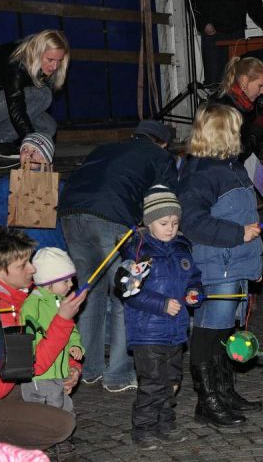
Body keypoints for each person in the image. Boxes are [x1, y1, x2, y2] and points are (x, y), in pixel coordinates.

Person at [58, 119, 179, 393]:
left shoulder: (106, 148)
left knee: (90, 291)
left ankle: (87, 368)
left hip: (70, 213)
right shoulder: (159, 155)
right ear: (163, 143)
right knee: (127, 293)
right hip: (110, 216)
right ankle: (118, 374)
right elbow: (164, 200)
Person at [177, 103, 263, 427]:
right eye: (236, 128)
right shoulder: (201, 172)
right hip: (216, 265)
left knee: (225, 330)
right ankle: (207, 402)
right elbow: (191, 221)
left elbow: (238, 212)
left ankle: (225, 391)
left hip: (234, 262)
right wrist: (238, 233)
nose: (241, 134)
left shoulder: (232, 167)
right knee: (208, 331)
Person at [0, 229, 84, 455]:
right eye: (22, 265)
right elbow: (31, 366)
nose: (32, 269)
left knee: (56, 401)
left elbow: (55, 339)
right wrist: (62, 320)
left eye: (30, 261)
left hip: (6, 388)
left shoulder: (25, 297)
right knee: (62, 425)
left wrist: (72, 366)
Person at [121, 187, 198, 449]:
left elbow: (194, 278)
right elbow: (128, 290)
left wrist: (195, 293)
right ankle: (143, 428)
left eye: (175, 223)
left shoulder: (182, 249)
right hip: (148, 332)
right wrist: (162, 304)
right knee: (153, 382)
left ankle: (166, 423)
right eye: (164, 223)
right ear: (149, 222)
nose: (170, 228)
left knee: (172, 381)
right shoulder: (138, 252)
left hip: (176, 331)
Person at [0, 30, 69, 158]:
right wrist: (31, 144)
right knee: (43, 95)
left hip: (2, 105)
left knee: (49, 128)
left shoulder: (40, 63)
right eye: (50, 59)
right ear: (38, 52)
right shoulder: (18, 61)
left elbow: (28, 105)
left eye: (59, 60)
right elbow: (16, 106)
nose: (55, 66)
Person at [19, 248, 83, 412]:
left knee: (65, 410)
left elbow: (71, 330)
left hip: (58, 372)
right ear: (48, 283)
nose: (71, 284)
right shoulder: (32, 305)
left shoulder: (60, 302)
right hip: (40, 377)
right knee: (47, 413)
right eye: (65, 281)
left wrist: (75, 346)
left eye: (71, 279)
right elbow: (29, 342)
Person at [0, 132, 66, 250]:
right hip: (18, 250)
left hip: (51, 251)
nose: (29, 154)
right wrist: (17, 199)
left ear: (47, 158)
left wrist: (48, 194)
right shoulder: (6, 183)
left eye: (36, 150)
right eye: (25, 149)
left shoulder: (60, 186)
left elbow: (68, 219)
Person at [215, 56, 263, 161]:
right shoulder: (225, 109)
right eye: (260, 86)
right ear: (244, 81)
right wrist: (254, 133)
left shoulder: (247, 106)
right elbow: (233, 153)